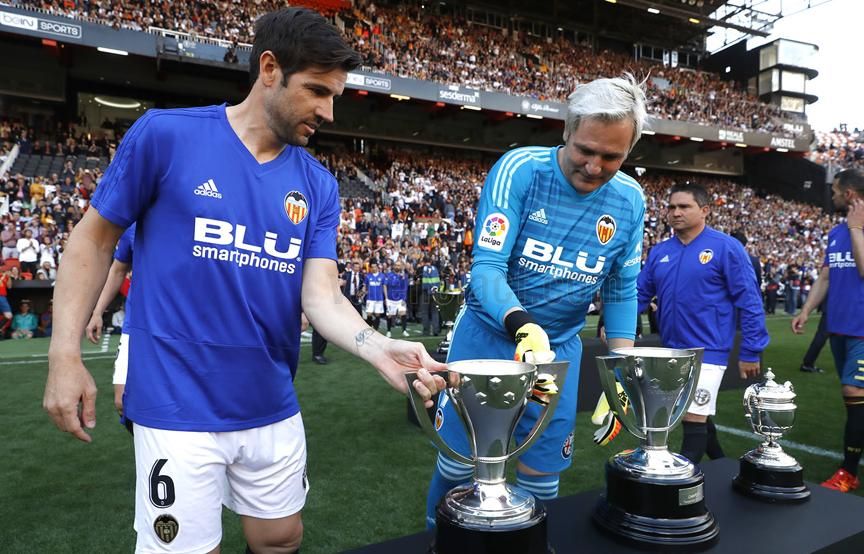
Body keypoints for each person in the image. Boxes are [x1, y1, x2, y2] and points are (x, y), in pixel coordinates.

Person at [42, 9, 445, 554]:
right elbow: (92, 241)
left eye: (335, 96)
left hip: (271, 400)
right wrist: (64, 356)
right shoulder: (166, 136)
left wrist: (378, 349)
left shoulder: (319, 186)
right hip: (175, 404)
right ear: (270, 68)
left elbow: (320, 293)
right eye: (317, 91)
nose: (328, 111)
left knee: (280, 539)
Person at [426, 74, 647, 527]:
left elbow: (621, 291)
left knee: (543, 475)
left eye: (612, 156)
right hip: (487, 342)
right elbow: (487, 268)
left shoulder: (630, 199)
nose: (594, 166)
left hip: (557, 355)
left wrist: (619, 374)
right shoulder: (521, 169)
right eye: (586, 150)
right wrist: (522, 325)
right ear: (566, 131)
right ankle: (440, 540)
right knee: (459, 466)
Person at [637, 183, 769, 464]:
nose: (675, 213)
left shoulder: (726, 247)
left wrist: (750, 350)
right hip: (671, 351)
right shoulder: (660, 252)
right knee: (697, 416)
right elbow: (639, 293)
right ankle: (724, 465)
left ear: (705, 210)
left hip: (709, 351)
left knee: (693, 422)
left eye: (684, 207)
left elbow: (750, 300)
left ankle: (677, 491)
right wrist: (613, 324)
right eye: (671, 207)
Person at [792, 168, 864, 493]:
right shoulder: (836, 232)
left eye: (835, 190)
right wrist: (806, 310)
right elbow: (826, 276)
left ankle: (848, 472)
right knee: (854, 398)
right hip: (839, 329)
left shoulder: (854, 228)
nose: (830, 194)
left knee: (855, 393)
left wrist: (857, 230)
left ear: (849, 194)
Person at [85, 223, 135, 417]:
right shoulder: (133, 228)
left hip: (177, 327)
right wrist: (97, 312)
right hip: (137, 326)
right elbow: (117, 271)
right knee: (122, 400)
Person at [384, 260, 410, 337]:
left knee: (403, 313)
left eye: (399, 265)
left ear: (401, 266)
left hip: (400, 298)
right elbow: (385, 285)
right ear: (393, 266)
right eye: (396, 265)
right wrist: (386, 298)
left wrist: (404, 299)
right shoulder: (388, 275)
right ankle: (388, 331)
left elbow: (405, 288)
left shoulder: (404, 276)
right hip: (391, 298)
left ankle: (404, 330)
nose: (397, 266)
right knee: (390, 315)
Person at [362, 261, 386, 330]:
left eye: (375, 267)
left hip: (379, 298)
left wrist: (386, 298)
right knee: (369, 314)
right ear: (370, 268)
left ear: (377, 267)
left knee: (377, 314)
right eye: (372, 267)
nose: (373, 268)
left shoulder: (382, 276)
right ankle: (370, 328)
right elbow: (364, 286)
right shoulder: (368, 276)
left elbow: (384, 287)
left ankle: (375, 330)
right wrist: (363, 292)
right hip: (370, 298)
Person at [0, 268, 13, 338]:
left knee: (9, 315)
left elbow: (9, 286)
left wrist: (9, 277)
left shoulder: (5, 276)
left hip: (2, 297)